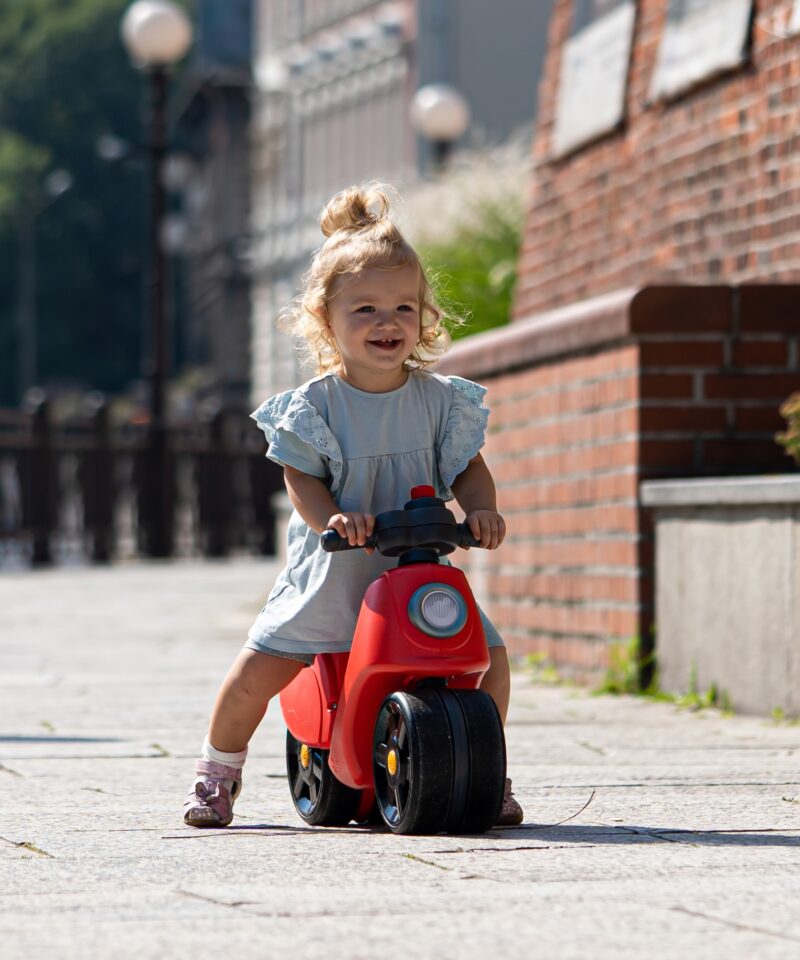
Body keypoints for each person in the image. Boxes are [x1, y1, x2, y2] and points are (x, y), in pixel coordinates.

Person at [183, 184, 524, 829]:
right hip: (340, 570)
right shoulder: (316, 408)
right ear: (326, 320)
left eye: (403, 307)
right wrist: (333, 518)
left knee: (490, 656)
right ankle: (217, 770)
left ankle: (484, 768)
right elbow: (301, 478)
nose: (386, 322)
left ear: (425, 316)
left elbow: (469, 470)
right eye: (364, 309)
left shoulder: (440, 402)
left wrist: (481, 510)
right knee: (262, 665)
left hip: (417, 570)